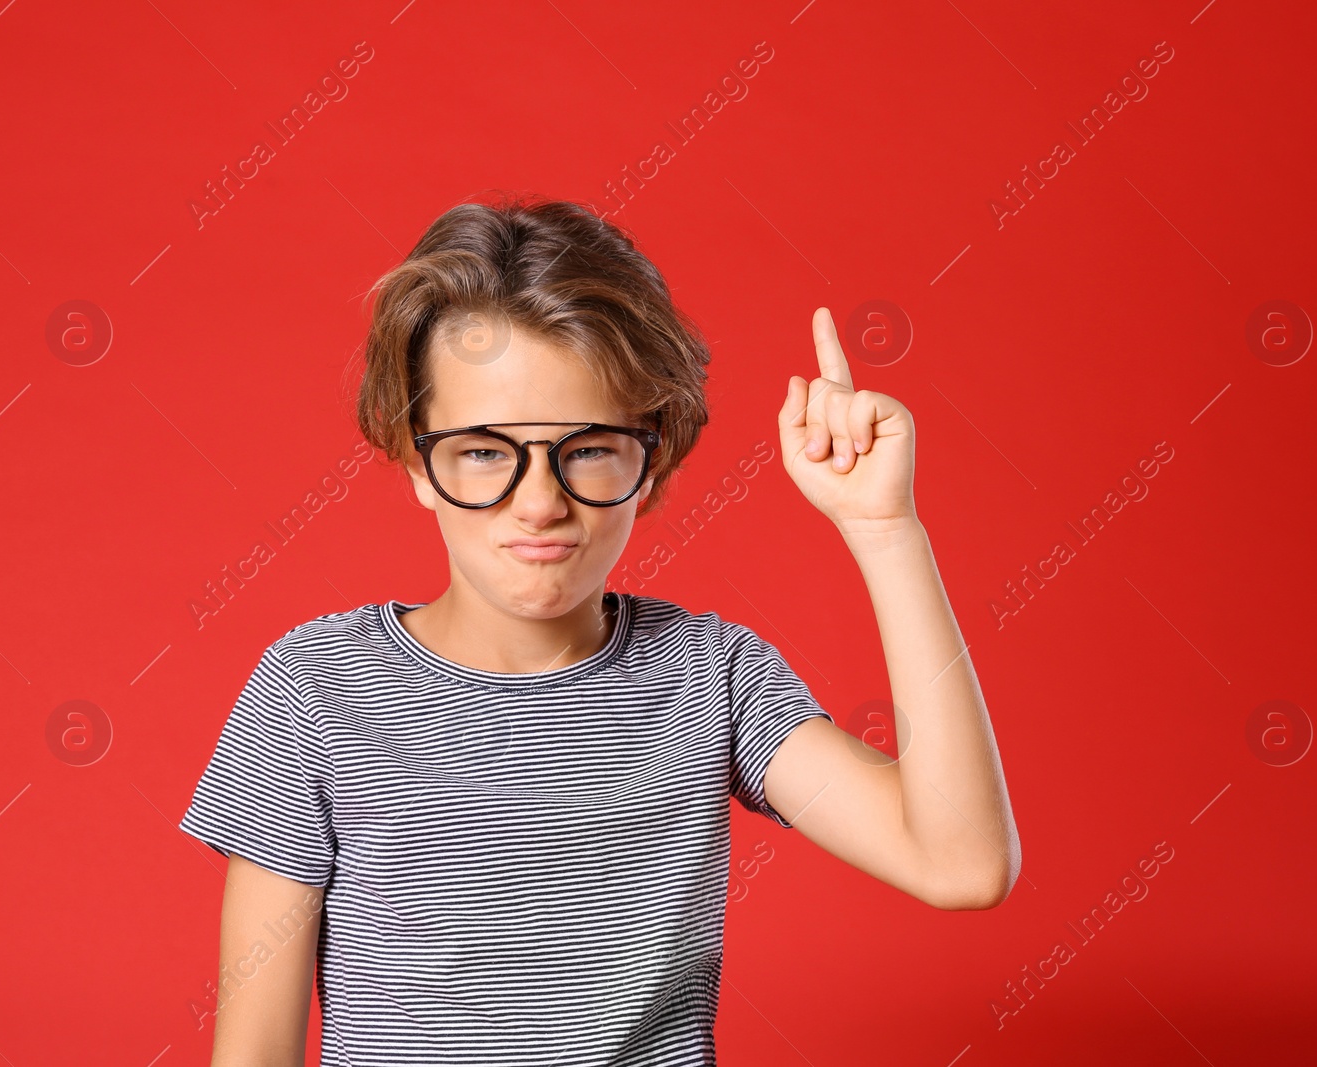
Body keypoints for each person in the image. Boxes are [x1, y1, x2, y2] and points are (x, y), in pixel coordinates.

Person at [178, 194, 1019, 1065]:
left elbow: (960, 863)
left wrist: (886, 532)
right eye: (481, 451)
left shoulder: (711, 677)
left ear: (650, 459)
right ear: (414, 459)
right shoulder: (313, 688)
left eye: (585, 448)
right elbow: (253, 1052)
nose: (539, 502)